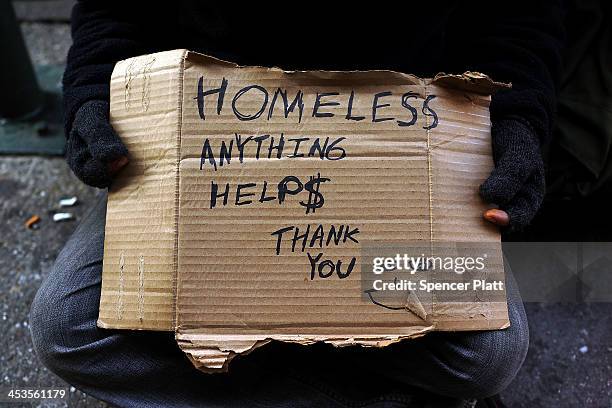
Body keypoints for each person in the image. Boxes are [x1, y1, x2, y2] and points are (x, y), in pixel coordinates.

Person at [29, 1, 566, 407]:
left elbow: (517, 17)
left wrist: (519, 120)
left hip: (405, 155)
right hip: (198, 150)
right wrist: (95, 98)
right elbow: (112, 10)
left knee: (486, 356)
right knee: (68, 328)